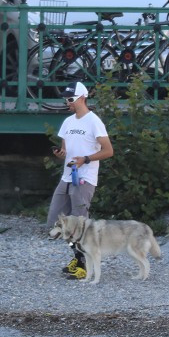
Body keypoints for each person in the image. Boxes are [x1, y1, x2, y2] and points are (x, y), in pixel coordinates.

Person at [46, 82, 113, 281]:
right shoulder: (68, 122)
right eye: (66, 99)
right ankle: (77, 256)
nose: (67, 103)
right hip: (67, 176)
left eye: (70, 99)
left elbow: (109, 151)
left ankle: (84, 264)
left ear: (82, 98)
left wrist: (86, 159)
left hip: (84, 179)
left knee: (79, 224)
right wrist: (60, 154)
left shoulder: (94, 122)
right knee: (55, 222)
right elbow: (65, 150)